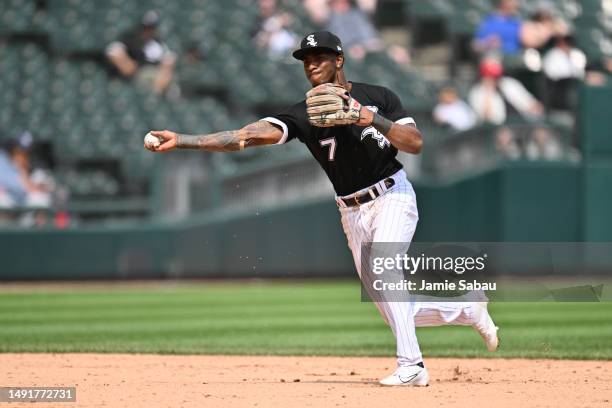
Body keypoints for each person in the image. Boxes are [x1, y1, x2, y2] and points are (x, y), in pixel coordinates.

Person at [145, 31, 499, 386]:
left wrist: (368, 117)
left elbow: (416, 143)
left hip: (393, 196)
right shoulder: (304, 114)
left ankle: (413, 366)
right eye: (306, 59)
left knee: (385, 271)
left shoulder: (378, 97)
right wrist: (184, 141)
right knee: (392, 308)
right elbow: (244, 136)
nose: (312, 64)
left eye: (320, 56)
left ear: (339, 60)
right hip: (351, 211)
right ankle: (467, 309)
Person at [105, 11, 178, 95]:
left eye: (151, 28)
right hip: (135, 75)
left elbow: (169, 59)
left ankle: (155, 96)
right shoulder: (129, 38)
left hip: (153, 74)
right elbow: (113, 50)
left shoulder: (158, 43)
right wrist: (127, 64)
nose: (148, 31)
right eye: (146, 28)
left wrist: (161, 79)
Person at [469, 57, 544, 125]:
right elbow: (487, 119)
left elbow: (533, 105)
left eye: (495, 77)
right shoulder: (477, 93)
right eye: (489, 77)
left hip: (521, 125)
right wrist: (488, 91)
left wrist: (533, 109)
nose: (493, 80)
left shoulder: (508, 83)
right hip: (495, 131)